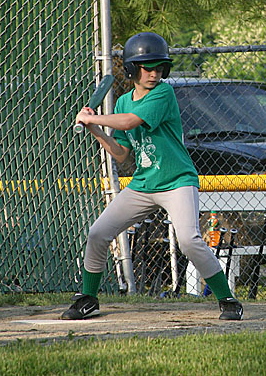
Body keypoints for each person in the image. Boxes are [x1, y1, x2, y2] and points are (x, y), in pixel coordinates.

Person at [62, 32, 243, 320]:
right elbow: (121, 153)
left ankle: (228, 299)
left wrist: (93, 118)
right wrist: (96, 131)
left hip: (177, 181)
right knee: (98, 233)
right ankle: (88, 298)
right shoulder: (122, 102)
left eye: (159, 67)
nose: (155, 73)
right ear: (133, 69)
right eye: (148, 67)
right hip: (144, 183)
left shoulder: (163, 92)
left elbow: (132, 122)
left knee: (189, 240)